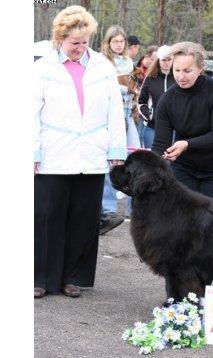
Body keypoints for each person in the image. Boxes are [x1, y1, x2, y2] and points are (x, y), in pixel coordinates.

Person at [34, 5, 127, 298]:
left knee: (84, 217)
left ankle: (74, 277)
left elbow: (114, 111)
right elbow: (30, 113)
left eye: (84, 42)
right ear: (60, 38)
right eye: (74, 43)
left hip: (92, 154)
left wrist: (116, 150)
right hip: (54, 154)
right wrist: (31, 152)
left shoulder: (103, 67)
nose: (79, 48)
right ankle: (41, 278)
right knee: (47, 216)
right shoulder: (42, 68)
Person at [152, 41, 213, 201]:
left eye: (187, 71)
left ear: (200, 69)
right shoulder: (167, 100)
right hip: (183, 168)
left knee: (212, 220)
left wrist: (186, 144)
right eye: (176, 70)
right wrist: (151, 170)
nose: (181, 76)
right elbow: (160, 145)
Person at [101, 25, 141, 223]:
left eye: (121, 41)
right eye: (115, 41)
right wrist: (124, 88)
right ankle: (108, 207)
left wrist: (133, 91)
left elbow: (134, 87)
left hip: (128, 113)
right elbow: (104, 86)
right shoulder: (102, 62)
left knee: (133, 156)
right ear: (108, 43)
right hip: (109, 115)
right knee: (108, 161)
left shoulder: (128, 62)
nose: (119, 44)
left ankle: (132, 207)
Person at [138, 45, 175, 149]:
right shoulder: (150, 78)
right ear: (158, 60)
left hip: (175, 129)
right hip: (153, 128)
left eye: (169, 59)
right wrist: (150, 114)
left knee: (172, 161)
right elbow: (141, 102)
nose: (166, 63)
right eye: (163, 60)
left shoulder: (179, 78)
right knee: (153, 161)